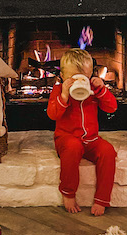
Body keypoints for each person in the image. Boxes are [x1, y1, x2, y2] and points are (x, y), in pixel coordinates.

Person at [46, 49, 118, 215]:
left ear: (90, 75)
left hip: (91, 140)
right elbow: (52, 114)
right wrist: (64, 95)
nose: (78, 82)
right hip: (66, 139)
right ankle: (68, 193)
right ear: (63, 77)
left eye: (83, 78)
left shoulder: (93, 89)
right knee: (73, 147)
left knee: (108, 151)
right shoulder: (59, 90)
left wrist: (101, 90)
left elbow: (112, 107)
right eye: (73, 79)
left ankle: (102, 199)